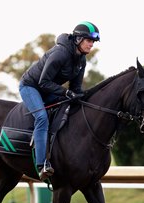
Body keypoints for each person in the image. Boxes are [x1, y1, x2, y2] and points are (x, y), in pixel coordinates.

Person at [19, 21, 100, 181]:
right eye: (88, 40)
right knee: (42, 117)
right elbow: (43, 82)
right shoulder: (60, 53)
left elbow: (76, 89)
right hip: (31, 87)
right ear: (78, 39)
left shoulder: (82, 60)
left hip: (49, 89)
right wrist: (66, 92)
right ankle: (41, 165)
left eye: (93, 42)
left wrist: (84, 98)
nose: (91, 44)